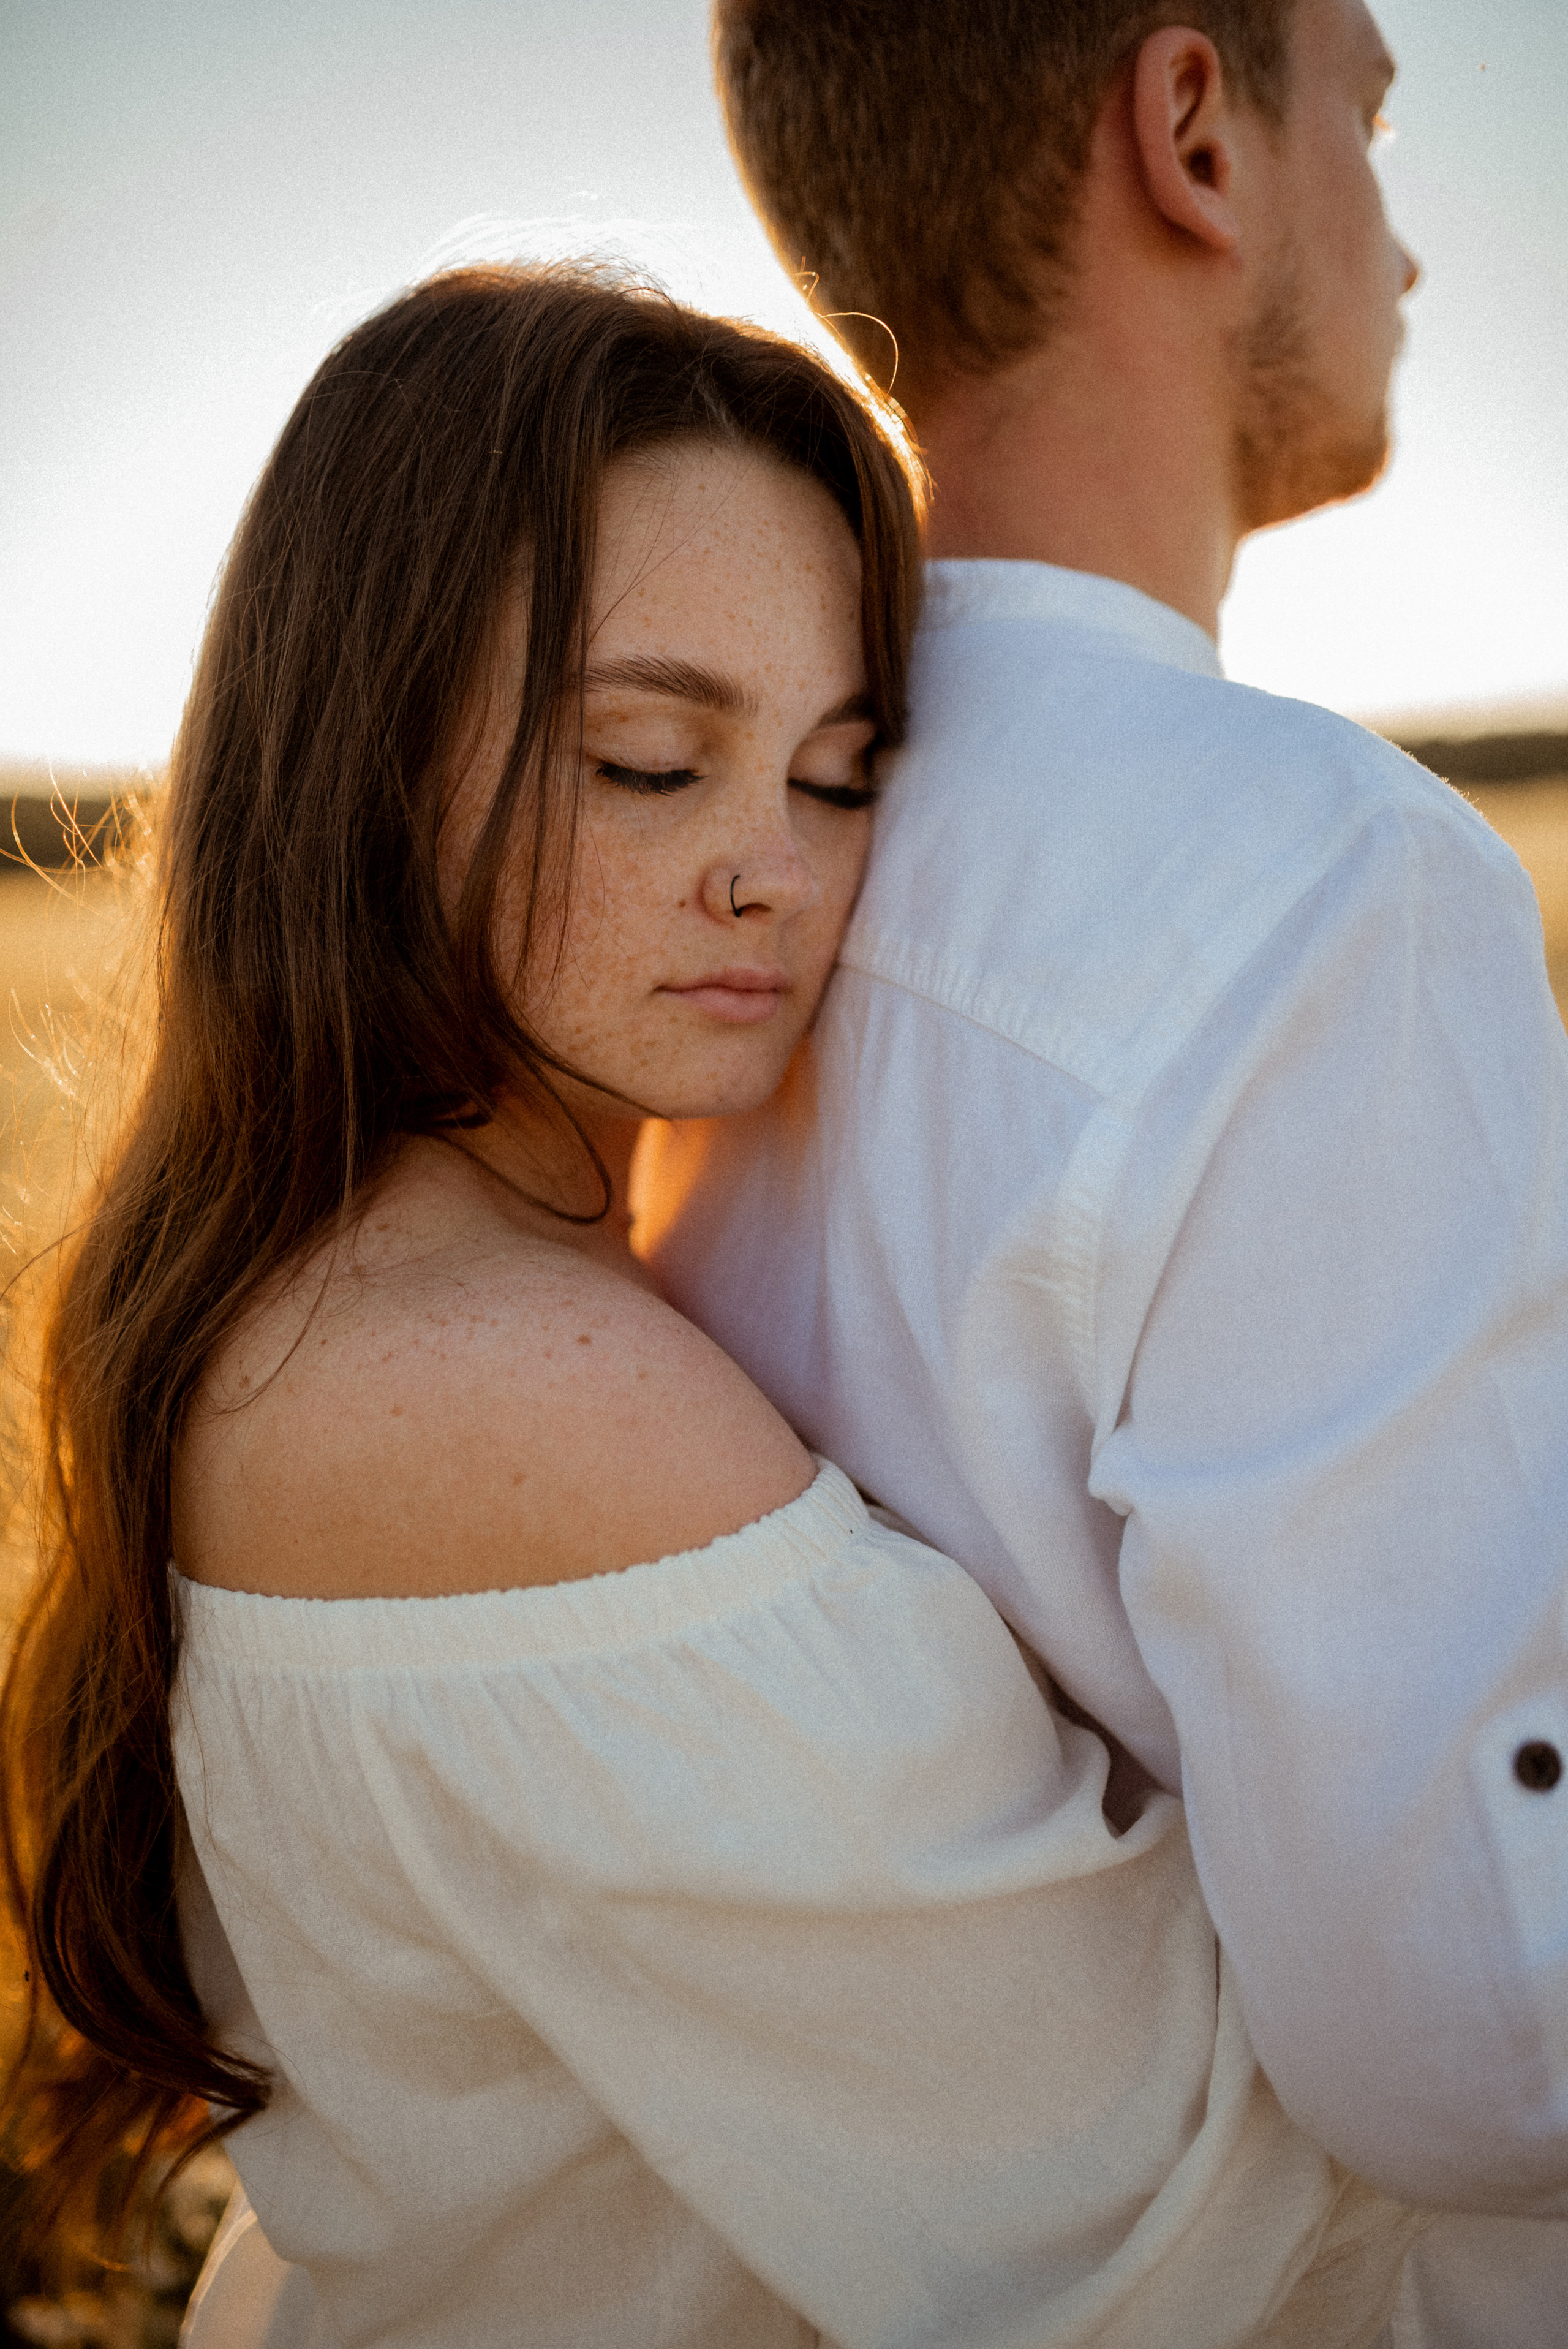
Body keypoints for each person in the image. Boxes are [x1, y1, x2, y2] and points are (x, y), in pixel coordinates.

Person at [0, 265, 1420, 2349]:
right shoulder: (509, 1389)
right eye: (652, 761)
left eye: (838, 774)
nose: (772, 868)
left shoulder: (376, 1271)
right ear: (358, 750)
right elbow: (1163, 2216)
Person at [638, 1, 1568, 2336]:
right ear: (1193, 136)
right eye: (1365, 105)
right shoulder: (1325, 879)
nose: (1417, 243)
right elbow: (1482, 2029)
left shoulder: (667, 891)